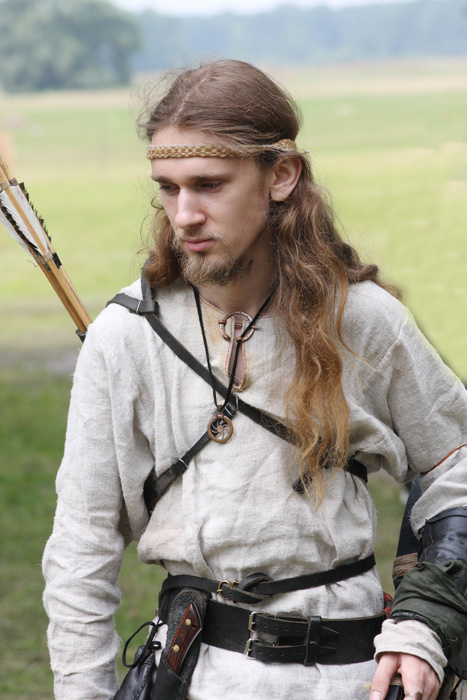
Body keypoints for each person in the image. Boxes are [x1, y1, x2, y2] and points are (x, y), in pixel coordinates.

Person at [42, 59, 467, 700]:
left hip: (352, 678)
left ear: (281, 176)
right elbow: (83, 545)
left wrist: (424, 625)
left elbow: (456, 466)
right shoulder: (126, 335)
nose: (184, 214)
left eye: (209, 185)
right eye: (168, 189)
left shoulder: (361, 318)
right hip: (198, 677)